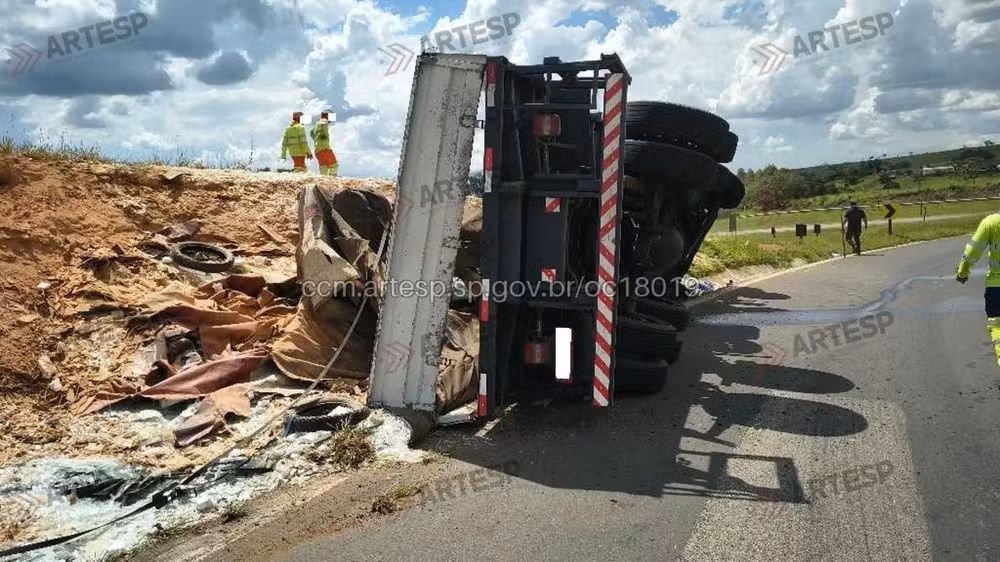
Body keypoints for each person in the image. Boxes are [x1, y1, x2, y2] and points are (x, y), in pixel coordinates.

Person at [956, 212, 1000, 367]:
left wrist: (963, 272)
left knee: (997, 326)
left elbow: (972, 252)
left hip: (996, 286)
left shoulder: (991, 222)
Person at [311, 109, 339, 176]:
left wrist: (317, 139)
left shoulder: (316, 124)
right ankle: (332, 179)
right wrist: (322, 135)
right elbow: (323, 123)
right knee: (334, 165)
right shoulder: (323, 121)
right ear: (326, 115)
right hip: (324, 148)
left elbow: (311, 132)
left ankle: (324, 178)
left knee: (323, 167)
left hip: (317, 149)